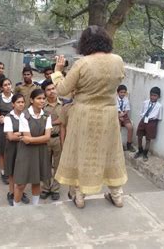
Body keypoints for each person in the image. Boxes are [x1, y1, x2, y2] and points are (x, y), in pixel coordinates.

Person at [51, 25, 128, 208]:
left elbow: (62, 90)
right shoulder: (118, 60)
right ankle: (117, 195)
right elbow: (119, 79)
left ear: (84, 43)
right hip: (109, 113)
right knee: (111, 152)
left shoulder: (82, 63)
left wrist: (57, 71)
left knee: (82, 152)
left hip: (84, 114)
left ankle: (79, 195)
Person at [13, 89, 52, 206]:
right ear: (31, 100)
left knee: (36, 181)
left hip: (40, 151)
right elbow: (27, 139)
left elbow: (47, 137)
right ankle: (15, 209)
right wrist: (37, 139)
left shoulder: (46, 116)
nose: (42, 101)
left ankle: (35, 207)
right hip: (26, 152)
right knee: (21, 183)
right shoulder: (24, 116)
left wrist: (31, 140)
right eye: (39, 98)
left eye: (43, 98)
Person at [3, 94, 30, 206]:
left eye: (22, 102)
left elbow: (30, 132)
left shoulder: (27, 116)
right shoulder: (8, 117)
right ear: (13, 104)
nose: (21, 104)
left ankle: (20, 192)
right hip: (12, 148)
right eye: (18, 102)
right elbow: (10, 137)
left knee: (22, 171)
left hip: (24, 147)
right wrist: (23, 135)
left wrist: (18, 133)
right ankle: (11, 193)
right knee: (12, 172)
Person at [39, 79, 63, 201]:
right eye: (48, 90)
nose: (51, 91)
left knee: (58, 165)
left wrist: (50, 122)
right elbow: (39, 122)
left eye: (53, 88)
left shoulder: (63, 105)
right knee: (45, 165)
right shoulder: (41, 105)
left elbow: (64, 122)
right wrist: (56, 121)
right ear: (44, 92)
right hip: (45, 139)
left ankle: (55, 189)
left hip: (58, 139)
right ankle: (46, 188)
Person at [0, 78, 13, 184]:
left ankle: (11, 171)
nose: (8, 86)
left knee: (11, 150)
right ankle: (4, 172)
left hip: (13, 126)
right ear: (1, 87)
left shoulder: (15, 98)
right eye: (5, 85)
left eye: (9, 84)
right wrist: (3, 119)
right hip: (1, 127)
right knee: (1, 151)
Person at [135, 87, 163, 161]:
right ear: (149, 95)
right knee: (139, 136)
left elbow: (159, 117)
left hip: (151, 123)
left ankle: (145, 153)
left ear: (158, 97)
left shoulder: (159, 106)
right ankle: (140, 150)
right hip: (143, 120)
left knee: (148, 139)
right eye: (152, 95)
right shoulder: (145, 102)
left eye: (155, 96)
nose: (153, 97)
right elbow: (142, 111)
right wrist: (143, 117)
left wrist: (151, 120)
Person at [117, 85, 136, 152]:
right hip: (116, 115)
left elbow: (127, 109)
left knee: (130, 127)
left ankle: (129, 144)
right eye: (121, 92)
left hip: (124, 115)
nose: (123, 94)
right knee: (117, 128)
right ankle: (118, 145)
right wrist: (119, 116)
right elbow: (115, 109)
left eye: (124, 92)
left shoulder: (126, 99)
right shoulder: (115, 99)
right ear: (118, 92)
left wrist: (123, 115)